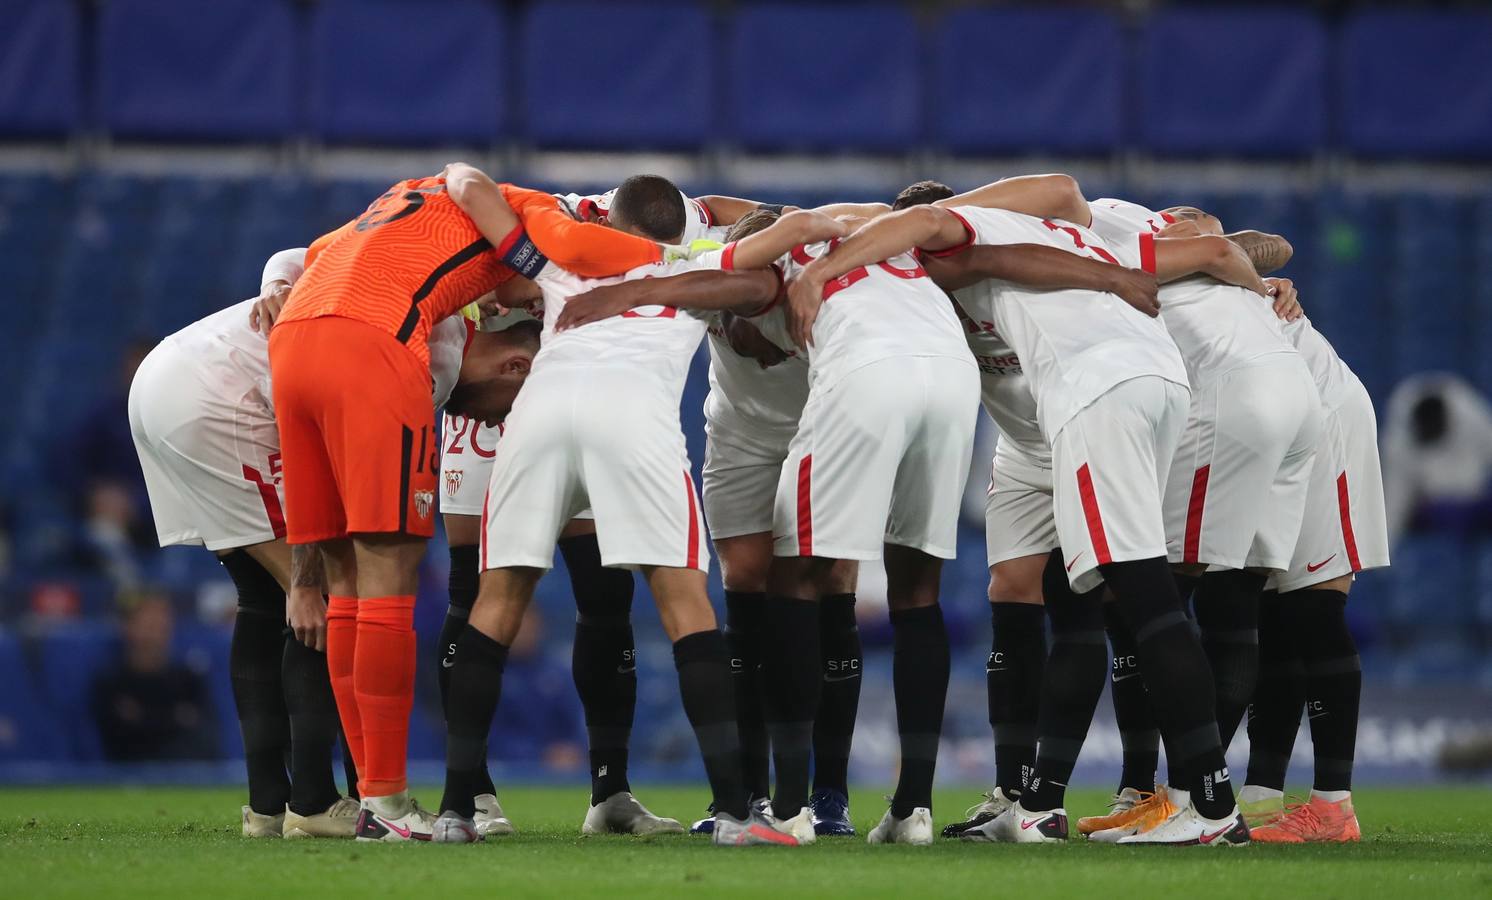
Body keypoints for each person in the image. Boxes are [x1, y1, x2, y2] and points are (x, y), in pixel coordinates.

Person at [801, 199, 1250, 846]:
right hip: (1138, 386)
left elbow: (979, 240)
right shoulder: (1040, 240)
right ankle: (1035, 804)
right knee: (1088, 595)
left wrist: (824, 269)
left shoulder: (967, 235)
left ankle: (1211, 807)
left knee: (1148, 601)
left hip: (1097, 393)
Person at [560, 204, 984, 845]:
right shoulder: (817, 256)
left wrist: (633, 291)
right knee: (761, 587)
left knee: (821, 582)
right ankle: (755, 794)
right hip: (754, 433)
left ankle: (819, 799)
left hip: (837, 404)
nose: (741, 331)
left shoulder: (776, 274)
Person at [269, 162, 656, 842]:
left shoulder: (400, 199)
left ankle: (372, 797)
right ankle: (387, 807)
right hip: (374, 342)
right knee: (388, 572)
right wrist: (673, 256)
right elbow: (578, 254)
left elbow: (319, 255)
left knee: (346, 580)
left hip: (295, 343)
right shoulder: (527, 208)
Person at [434, 174, 801, 847]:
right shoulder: (695, 263)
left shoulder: (565, 259)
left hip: (539, 412)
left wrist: (459, 177)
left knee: (496, 603)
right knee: (685, 603)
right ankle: (735, 814)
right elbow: (771, 265)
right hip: (632, 416)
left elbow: (480, 199)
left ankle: (458, 809)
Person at [1240, 277, 1389, 844]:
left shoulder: (1147, 253)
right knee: (1271, 613)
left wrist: (1255, 273)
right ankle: (1261, 802)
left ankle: (1333, 806)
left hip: (1322, 418)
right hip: (1275, 422)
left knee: (1314, 609)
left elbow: (1267, 245)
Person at [91, 588, 218, 764]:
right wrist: (174, 717)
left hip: (186, 773)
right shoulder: (111, 681)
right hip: (125, 776)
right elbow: (120, 734)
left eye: (161, 619)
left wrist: (143, 716)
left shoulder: (188, 678)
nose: (155, 628)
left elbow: (203, 732)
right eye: (146, 621)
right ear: (127, 626)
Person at [1382, 373, 1492, 540]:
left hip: (1473, 499)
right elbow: (1394, 498)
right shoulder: (1399, 438)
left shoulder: (1472, 416)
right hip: (1428, 505)